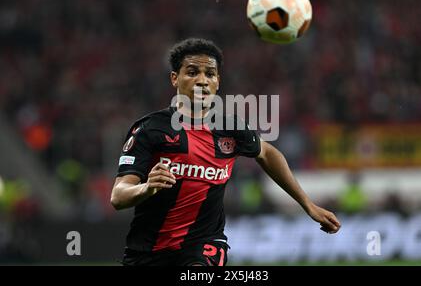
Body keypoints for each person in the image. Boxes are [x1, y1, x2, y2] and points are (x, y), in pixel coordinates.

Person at [110, 38, 341, 266]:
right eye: (192, 72)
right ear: (174, 78)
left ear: (218, 81)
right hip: (147, 250)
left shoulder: (230, 127)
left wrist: (308, 206)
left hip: (204, 244)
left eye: (209, 74)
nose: (202, 80)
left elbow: (268, 153)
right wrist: (147, 188)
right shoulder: (149, 129)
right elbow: (118, 196)